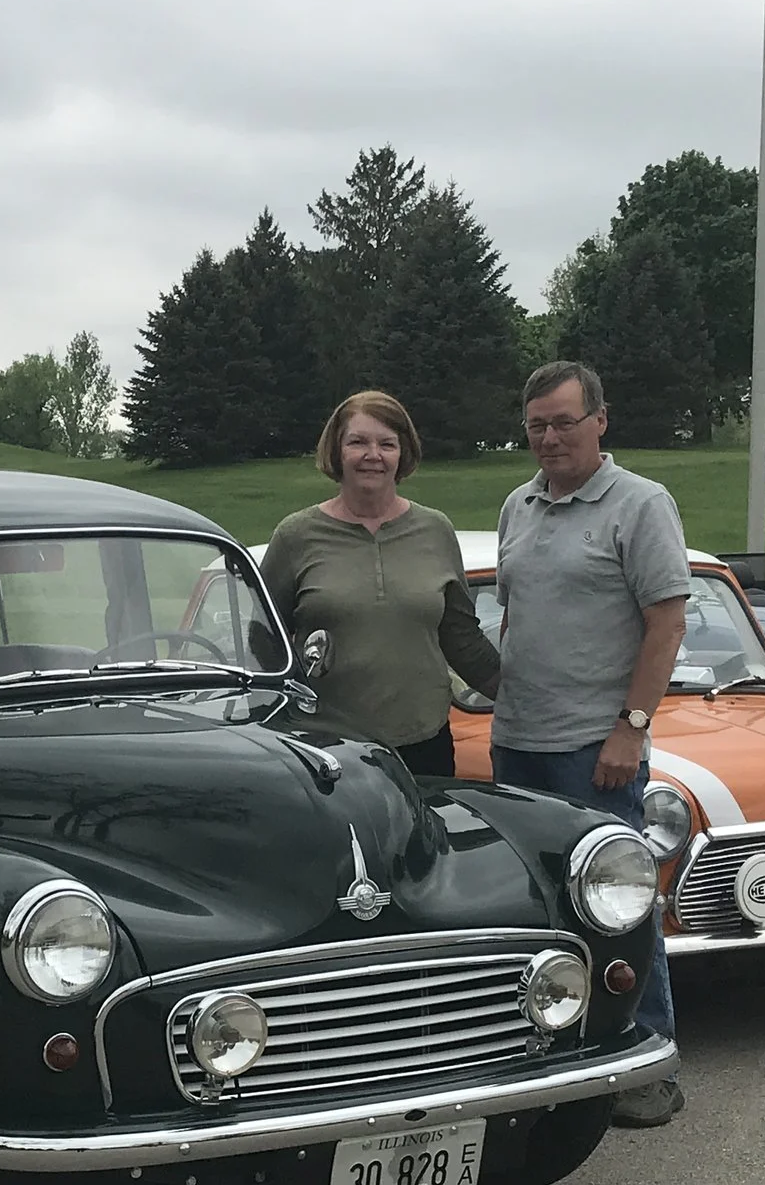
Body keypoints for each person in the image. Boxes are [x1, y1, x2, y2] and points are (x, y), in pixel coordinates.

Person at [491, 361, 690, 1127]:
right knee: (536, 906)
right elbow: (514, 619)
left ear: (600, 420)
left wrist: (631, 728)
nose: (549, 437)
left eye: (564, 422)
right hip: (518, 742)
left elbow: (666, 623)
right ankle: (553, 1047)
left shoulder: (639, 504)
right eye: (537, 424)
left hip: (594, 748)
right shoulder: (518, 506)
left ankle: (649, 1057)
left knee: (619, 901)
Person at [259, 391, 498, 775]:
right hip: (328, 748)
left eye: (387, 444)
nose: (374, 455)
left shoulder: (435, 530)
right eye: (358, 442)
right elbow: (262, 642)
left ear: (403, 454)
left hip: (425, 743)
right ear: (337, 452)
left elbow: (461, 638)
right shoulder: (296, 536)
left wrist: (522, 698)